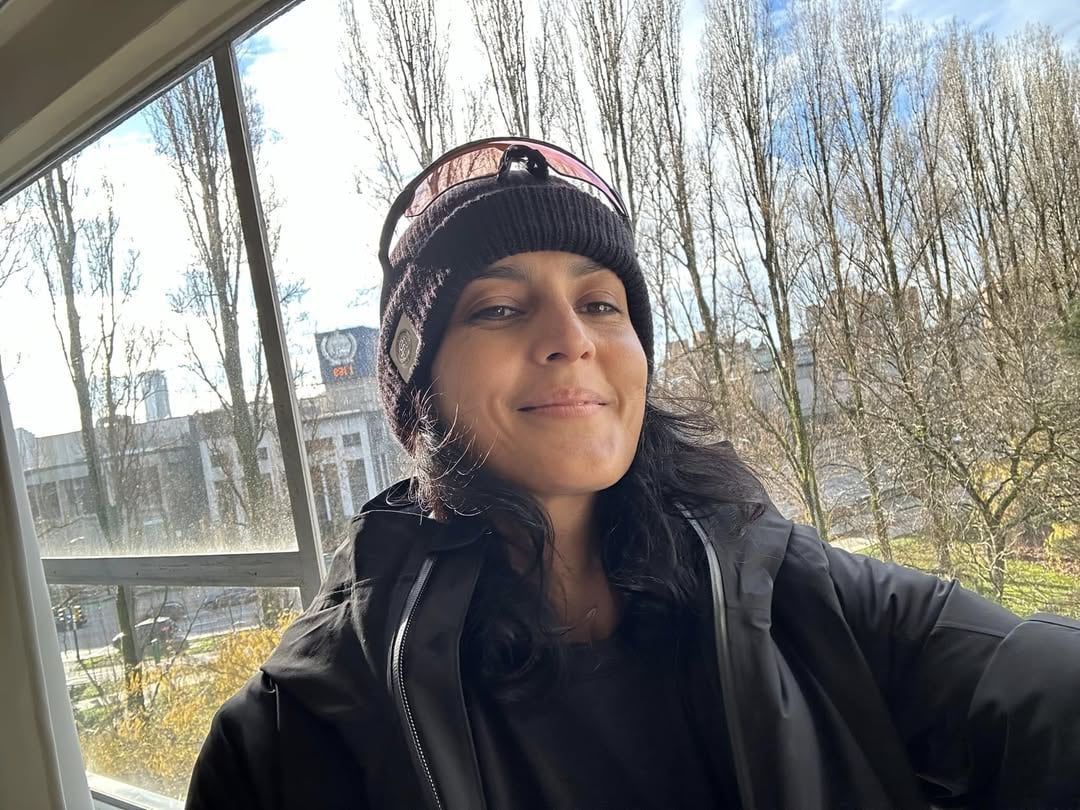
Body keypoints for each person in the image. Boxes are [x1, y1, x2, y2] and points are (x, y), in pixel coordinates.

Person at [185, 137, 1080, 810]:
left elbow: (1036, 685)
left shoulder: (789, 592)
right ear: (417, 387)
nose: (570, 337)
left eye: (601, 302)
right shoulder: (295, 732)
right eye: (499, 307)